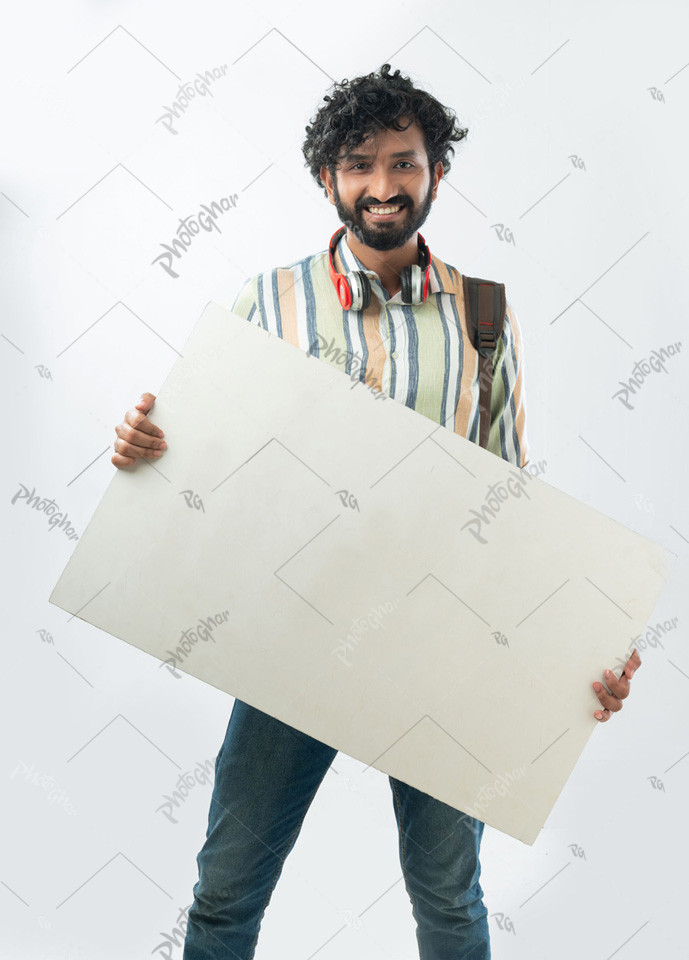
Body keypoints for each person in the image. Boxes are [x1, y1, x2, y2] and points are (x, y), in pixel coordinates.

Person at [112, 63, 641, 960]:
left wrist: (584, 643)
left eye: (405, 162)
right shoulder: (265, 303)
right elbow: (205, 472)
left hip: (440, 649)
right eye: (360, 164)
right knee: (225, 896)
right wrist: (140, 453)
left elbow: (512, 502)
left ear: (437, 173)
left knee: (450, 902)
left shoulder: (484, 314)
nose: (384, 186)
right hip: (290, 639)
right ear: (328, 178)